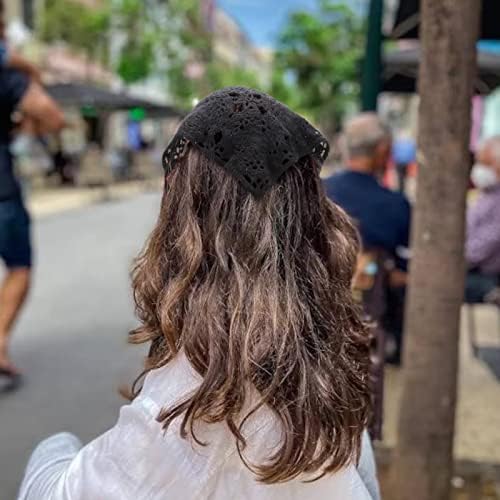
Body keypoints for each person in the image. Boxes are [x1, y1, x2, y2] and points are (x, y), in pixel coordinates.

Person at [18, 87, 380, 500]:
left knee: (54, 448)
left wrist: (55, 446)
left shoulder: (185, 404)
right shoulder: (330, 373)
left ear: (180, 219)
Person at [0, 3, 64, 382]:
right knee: (19, 267)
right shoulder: (8, 76)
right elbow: (52, 116)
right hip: (2, 194)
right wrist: (30, 72)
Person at [324, 113, 411, 365]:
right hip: (373, 315)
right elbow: (404, 267)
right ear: (383, 149)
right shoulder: (396, 205)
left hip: (318, 307)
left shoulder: (317, 191)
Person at [465, 136, 500, 305]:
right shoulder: (485, 194)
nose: (479, 170)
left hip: (485, 274)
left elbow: (484, 246)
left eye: (485, 163)